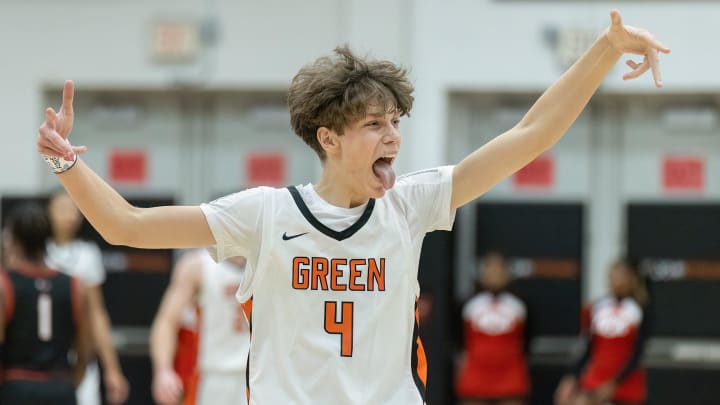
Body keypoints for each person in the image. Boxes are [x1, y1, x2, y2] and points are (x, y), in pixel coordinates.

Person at [36, 10, 668, 404]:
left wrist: (604, 50)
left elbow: (530, 136)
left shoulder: (411, 204)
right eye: (374, 123)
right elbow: (127, 224)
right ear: (329, 138)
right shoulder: (265, 214)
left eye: (395, 120)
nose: (392, 135)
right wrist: (68, 162)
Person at [0, 203, 92, 405]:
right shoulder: (76, 285)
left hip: (16, 386)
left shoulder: (4, 284)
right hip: (60, 387)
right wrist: (69, 385)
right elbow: (85, 349)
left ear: (12, 239)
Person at [45, 190, 130, 405]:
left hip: (80, 354)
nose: (69, 216)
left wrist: (112, 369)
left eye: (75, 210)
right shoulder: (36, 253)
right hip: (42, 356)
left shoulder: (88, 253)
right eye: (63, 209)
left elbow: (97, 312)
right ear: (48, 212)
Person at [150, 249, 249, 405]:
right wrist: (163, 370)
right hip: (216, 373)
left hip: (264, 373)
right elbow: (166, 322)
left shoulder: (273, 258)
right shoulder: (198, 265)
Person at [554, 258, 650, 405]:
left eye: (621, 276)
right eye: (613, 276)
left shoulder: (640, 308)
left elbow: (638, 352)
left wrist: (615, 383)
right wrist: (571, 376)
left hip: (626, 380)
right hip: (597, 377)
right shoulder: (598, 307)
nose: (616, 281)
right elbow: (590, 348)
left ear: (632, 278)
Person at [456, 252, 530, 405]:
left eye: (499, 269)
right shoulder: (468, 304)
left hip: (510, 374)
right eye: (489, 268)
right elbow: (458, 338)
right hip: (476, 373)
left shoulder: (520, 304)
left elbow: (528, 338)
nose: (494, 274)